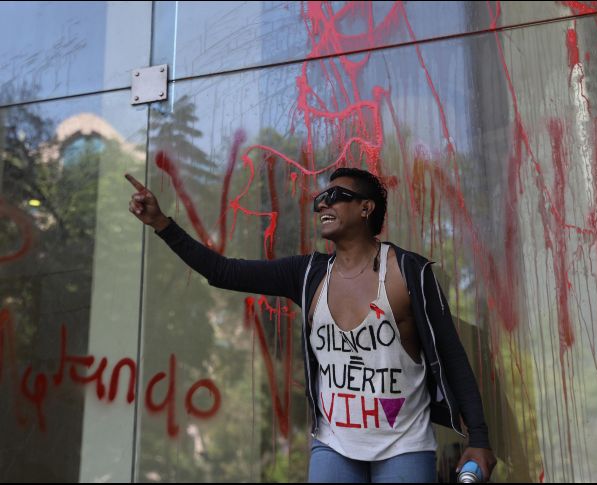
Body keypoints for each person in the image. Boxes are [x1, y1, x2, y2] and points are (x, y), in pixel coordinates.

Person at [126, 167, 496, 483]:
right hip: (333, 444)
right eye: (321, 197)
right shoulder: (307, 274)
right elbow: (221, 272)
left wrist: (478, 438)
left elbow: (452, 356)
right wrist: (161, 223)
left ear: (366, 208)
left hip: (404, 443)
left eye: (336, 195)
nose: (323, 203)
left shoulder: (408, 272)